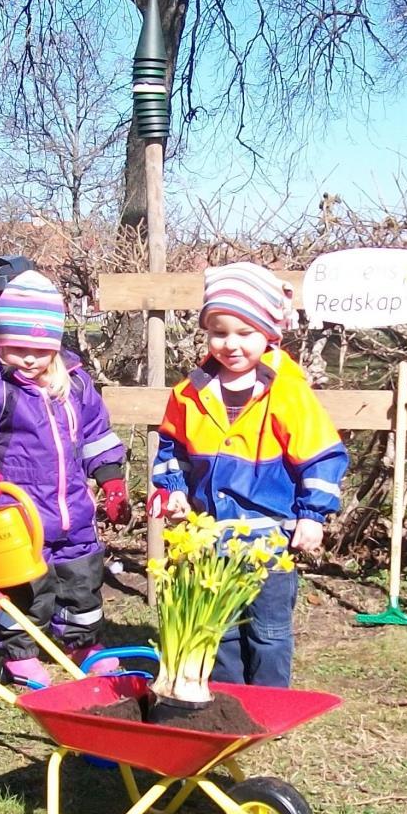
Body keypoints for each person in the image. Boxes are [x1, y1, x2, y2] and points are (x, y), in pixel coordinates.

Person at [150, 261, 348, 688]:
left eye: (245, 333)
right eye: (219, 332)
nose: (231, 344)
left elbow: (323, 456)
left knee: (269, 630)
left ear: (268, 335)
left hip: (270, 537)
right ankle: (228, 697)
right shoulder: (188, 393)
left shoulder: (287, 393)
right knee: (219, 625)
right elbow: (173, 447)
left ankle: (270, 702)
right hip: (209, 536)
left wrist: (313, 515)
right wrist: (174, 489)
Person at [0, 270, 130, 686]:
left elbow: (97, 436)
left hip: (73, 510)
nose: (28, 358)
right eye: (18, 348)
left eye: (39, 349)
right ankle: (20, 654)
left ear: (55, 347)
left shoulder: (75, 385)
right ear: (1, 342)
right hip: (19, 514)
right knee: (24, 587)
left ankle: (83, 643)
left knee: (82, 580)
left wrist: (111, 481)